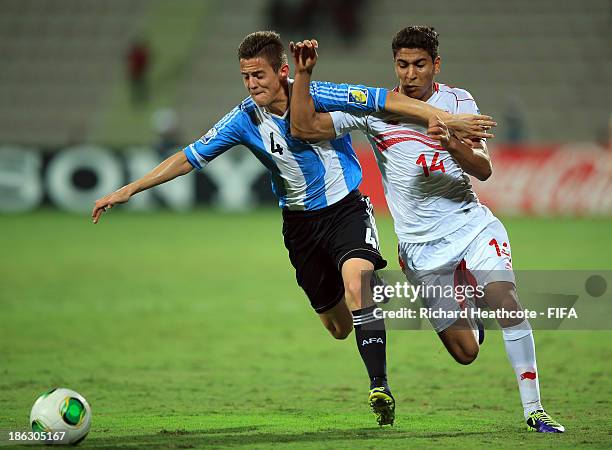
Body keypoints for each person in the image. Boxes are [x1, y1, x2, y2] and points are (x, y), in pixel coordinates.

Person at [92, 30, 493, 427]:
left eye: (259, 76)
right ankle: (368, 300)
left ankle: (380, 386)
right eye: (246, 77)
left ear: (282, 71)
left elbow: (387, 99)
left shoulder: (322, 93)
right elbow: (188, 157)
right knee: (338, 327)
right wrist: (131, 188)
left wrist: (449, 118)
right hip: (300, 227)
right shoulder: (243, 118)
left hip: (346, 211)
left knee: (359, 280)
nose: (252, 85)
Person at [288, 27, 564, 433]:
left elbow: (483, 169)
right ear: (394, 65)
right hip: (421, 250)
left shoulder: (457, 101)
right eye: (402, 65)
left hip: (471, 226)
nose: (410, 74)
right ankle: (468, 296)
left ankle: (535, 410)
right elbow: (305, 127)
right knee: (466, 352)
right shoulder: (375, 109)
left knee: (505, 300)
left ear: (436, 64)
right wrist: (305, 75)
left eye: (419, 64)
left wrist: (452, 142)